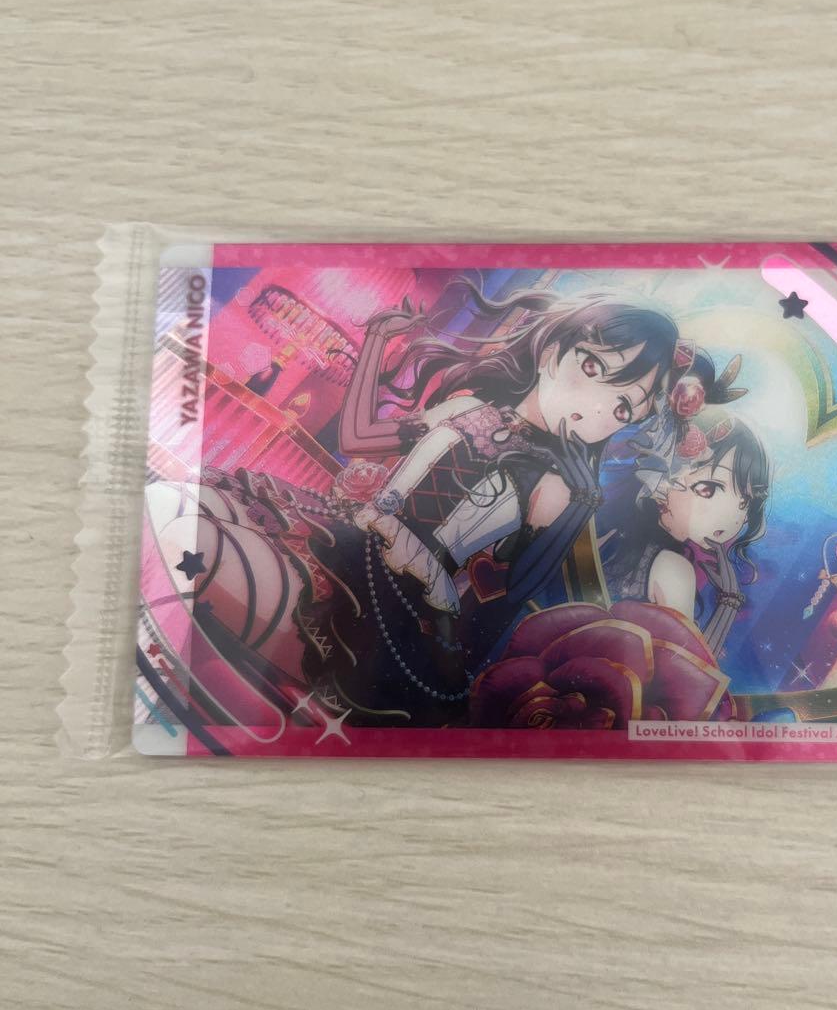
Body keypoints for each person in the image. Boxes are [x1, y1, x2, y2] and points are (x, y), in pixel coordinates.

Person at [179, 283, 693, 726]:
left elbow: (492, 611)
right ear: (550, 352)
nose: (596, 407)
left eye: (622, 407)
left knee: (198, 539)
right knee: (196, 502)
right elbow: (358, 438)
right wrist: (377, 340)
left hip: (389, 606)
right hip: (343, 538)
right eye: (592, 366)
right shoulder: (469, 408)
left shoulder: (555, 491)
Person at [603, 355, 769, 663]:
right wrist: (729, 601)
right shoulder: (672, 569)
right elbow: (683, 676)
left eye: (745, 502)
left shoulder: (612, 540)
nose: (732, 518)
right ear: (660, 479)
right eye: (708, 489)